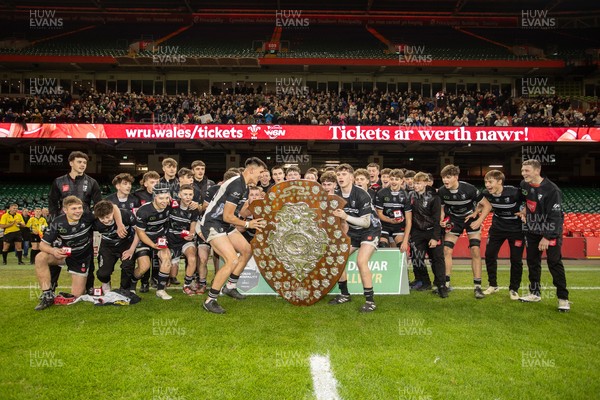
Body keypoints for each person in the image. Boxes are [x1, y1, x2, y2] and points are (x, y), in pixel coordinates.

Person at [198, 157, 267, 314]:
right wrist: (249, 224)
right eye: (260, 172)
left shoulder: (244, 185)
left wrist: (256, 205)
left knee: (247, 250)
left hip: (224, 224)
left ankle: (230, 286)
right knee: (231, 260)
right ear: (251, 170)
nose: (262, 176)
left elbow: (241, 213)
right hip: (213, 224)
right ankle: (210, 300)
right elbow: (228, 217)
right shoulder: (237, 185)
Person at [48, 151, 124, 293]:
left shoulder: (91, 182)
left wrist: (100, 221)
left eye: (84, 162)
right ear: (71, 163)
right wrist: (54, 224)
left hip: (85, 225)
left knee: (88, 256)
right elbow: (52, 204)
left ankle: (88, 288)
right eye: (79, 162)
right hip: (64, 226)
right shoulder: (59, 181)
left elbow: (99, 205)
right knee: (57, 255)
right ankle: (51, 288)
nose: (82, 165)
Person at [329, 164, 382, 312]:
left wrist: (345, 216)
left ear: (351, 177)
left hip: (370, 229)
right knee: (338, 258)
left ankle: (370, 301)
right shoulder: (337, 194)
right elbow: (341, 221)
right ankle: (345, 294)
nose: (340, 177)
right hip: (353, 231)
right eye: (338, 174)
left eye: (344, 174)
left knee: (361, 261)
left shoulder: (361, 194)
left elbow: (365, 222)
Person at [519, 159, 570, 312]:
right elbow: (526, 202)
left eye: (527, 171)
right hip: (532, 231)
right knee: (533, 263)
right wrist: (524, 210)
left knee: (554, 263)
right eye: (522, 171)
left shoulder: (552, 190)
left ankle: (563, 299)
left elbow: (555, 217)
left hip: (550, 232)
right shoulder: (524, 185)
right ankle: (535, 293)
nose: (523, 174)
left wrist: (547, 237)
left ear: (537, 171)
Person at [34, 196, 97, 311]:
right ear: (65, 210)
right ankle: (47, 295)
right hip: (64, 255)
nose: (78, 211)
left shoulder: (88, 216)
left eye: (79, 208)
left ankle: (78, 290)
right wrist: (54, 251)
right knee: (40, 257)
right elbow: (42, 245)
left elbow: (109, 209)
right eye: (73, 208)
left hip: (81, 258)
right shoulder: (57, 222)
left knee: (77, 296)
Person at [438, 164, 490, 299]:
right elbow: (442, 209)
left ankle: (478, 287)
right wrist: (442, 220)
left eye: (448, 177)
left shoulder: (469, 189)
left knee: (475, 250)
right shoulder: (442, 191)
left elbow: (487, 205)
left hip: (470, 219)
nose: (445, 180)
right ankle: (446, 284)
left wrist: (479, 220)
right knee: (446, 250)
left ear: (456, 177)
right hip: (455, 221)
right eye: (443, 177)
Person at [480, 170, 525, 300]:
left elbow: (531, 199)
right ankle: (493, 285)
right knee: (489, 255)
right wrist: (476, 211)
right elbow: (480, 204)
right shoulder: (486, 194)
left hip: (516, 230)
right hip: (497, 229)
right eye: (485, 182)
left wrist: (525, 211)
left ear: (499, 181)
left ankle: (514, 289)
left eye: (490, 182)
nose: (487, 185)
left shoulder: (514, 192)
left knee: (516, 260)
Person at [130, 183, 173, 300]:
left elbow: (186, 203)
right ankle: (132, 285)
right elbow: (140, 233)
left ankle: (160, 290)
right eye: (161, 198)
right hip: (144, 239)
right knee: (144, 267)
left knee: (166, 259)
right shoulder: (144, 211)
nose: (164, 201)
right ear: (154, 197)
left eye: (166, 198)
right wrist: (152, 245)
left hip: (159, 238)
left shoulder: (171, 205)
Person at [408, 172, 447, 297]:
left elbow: (437, 219)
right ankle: (425, 281)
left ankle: (441, 285)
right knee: (417, 258)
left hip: (432, 231)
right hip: (417, 232)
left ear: (425, 183)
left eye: (418, 183)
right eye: (415, 183)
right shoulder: (410, 196)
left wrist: (435, 237)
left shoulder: (434, 197)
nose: (416, 186)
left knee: (437, 259)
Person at [93, 200, 139, 294]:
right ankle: (106, 283)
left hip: (126, 243)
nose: (106, 220)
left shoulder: (126, 214)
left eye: (108, 217)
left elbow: (139, 232)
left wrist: (131, 249)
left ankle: (124, 289)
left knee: (128, 266)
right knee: (102, 274)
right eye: (102, 218)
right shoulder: (94, 220)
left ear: (112, 212)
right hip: (107, 245)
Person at [166, 184, 200, 296]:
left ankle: (186, 285)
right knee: (172, 272)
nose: (188, 197)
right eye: (185, 194)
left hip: (185, 240)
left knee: (192, 258)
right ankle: (167, 278)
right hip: (171, 240)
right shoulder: (171, 205)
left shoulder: (194, 209)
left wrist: (190, 234)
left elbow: (193, 227)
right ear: (180, 195)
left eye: (190, 194)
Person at [374, 169, 412, 252]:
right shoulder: (381, 193)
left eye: (397, 179)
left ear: (402, 181)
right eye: (392, 179)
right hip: (384, 225)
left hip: (399, 226)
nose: (393, 181)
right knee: (382, 246)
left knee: (402, 248)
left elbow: (409, 220)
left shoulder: (406, 195)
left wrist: (405, 242)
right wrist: (391, 220)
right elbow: (379, 214)